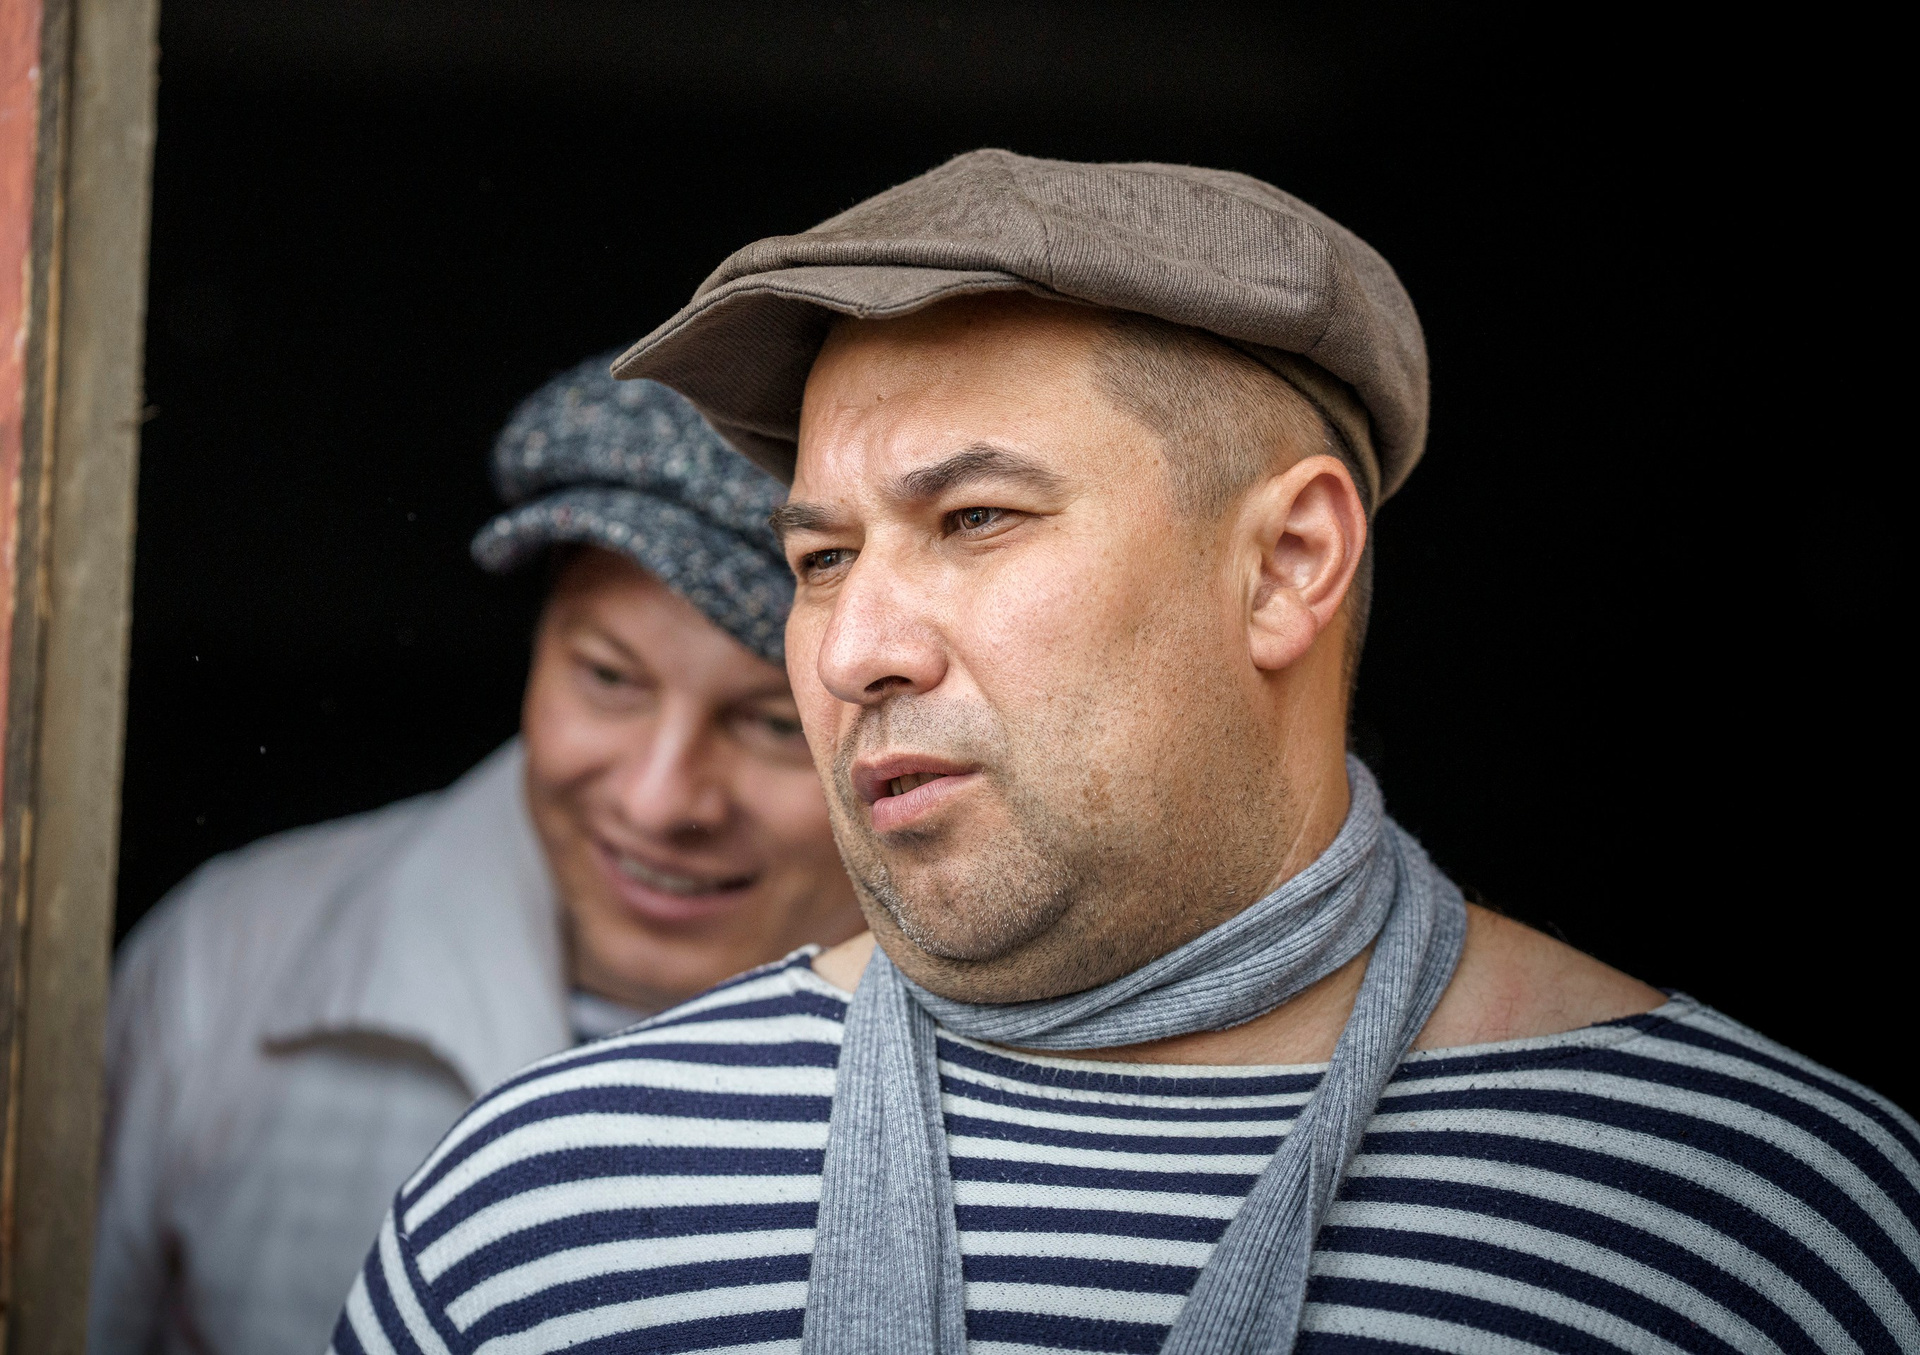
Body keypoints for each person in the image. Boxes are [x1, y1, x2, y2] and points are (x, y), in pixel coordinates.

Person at [332, 154, 1920, 1355]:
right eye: (821, 555)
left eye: (975, 519)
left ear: (1289, 562)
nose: (853, 644)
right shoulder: (540, 1210)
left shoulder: (1766, 1225)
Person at [87, 360, 865, 1355]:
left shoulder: (1010, 1057)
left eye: (773, 722)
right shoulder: (232, 958)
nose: (660, 799)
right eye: (608, 676)